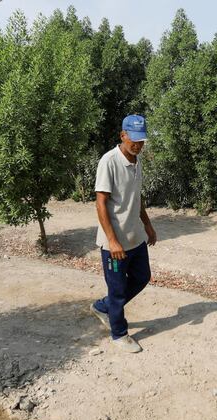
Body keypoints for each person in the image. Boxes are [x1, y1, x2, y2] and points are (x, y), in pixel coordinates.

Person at [90, 114, 157, 353]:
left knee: (142, 277)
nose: (138, 146)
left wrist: (148, 226)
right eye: (134, 141)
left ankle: (103, 306)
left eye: (141, 141)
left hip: (134, 236)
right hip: (115, 243)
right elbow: (100, 204)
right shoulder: (109, 162)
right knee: (118, 290)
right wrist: (112, 240)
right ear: (123, 135)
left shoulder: (137, 162)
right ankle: (119, 333)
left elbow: (136, 199)